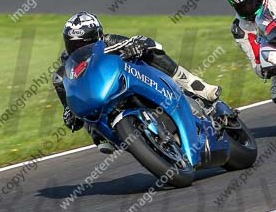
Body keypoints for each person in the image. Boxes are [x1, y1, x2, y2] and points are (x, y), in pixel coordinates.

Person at [52, 11, 221, 154]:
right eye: (74, 44)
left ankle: (197, 86)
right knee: (82, 110)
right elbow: (68, 104)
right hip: (100, 100)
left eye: (84, 43)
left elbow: (147, 42)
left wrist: (137, 45)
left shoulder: (109, 40)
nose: (80, 49)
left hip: (129, 81)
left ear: (97, 37)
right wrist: (69, 114)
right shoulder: (65, 70)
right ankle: (103, 135)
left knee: (151, 53)